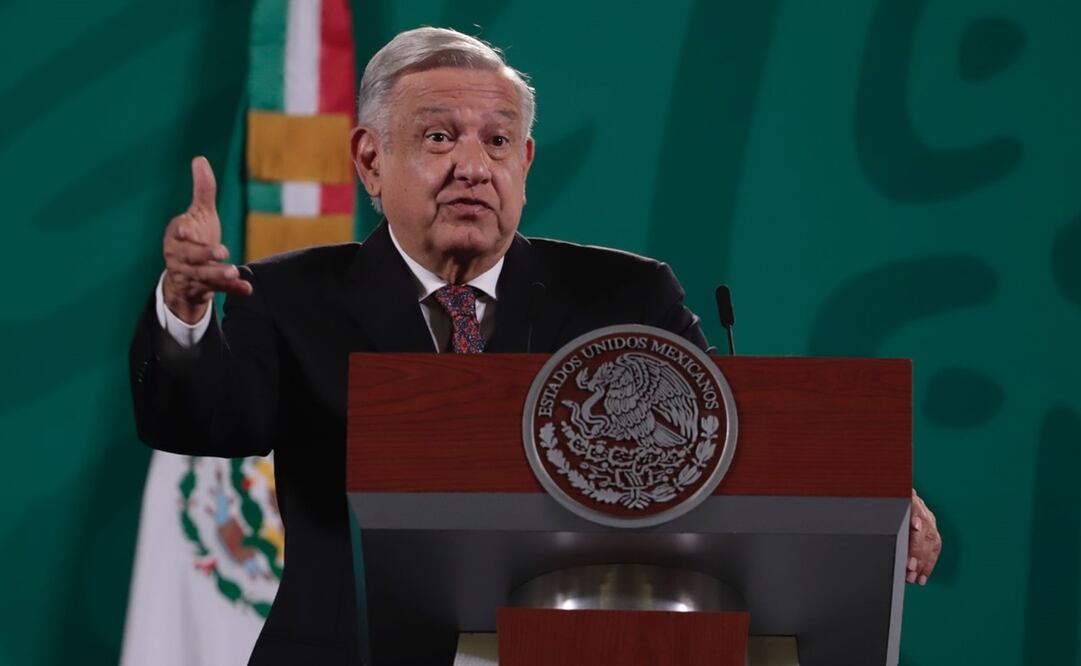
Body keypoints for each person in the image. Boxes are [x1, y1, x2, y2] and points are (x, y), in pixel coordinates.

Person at [130, 26, 940, 666]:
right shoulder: (293, 295)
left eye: (495, 142)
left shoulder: (623, 295)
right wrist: (185, 309)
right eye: (439, 137)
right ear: (370, 160)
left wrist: (865, 497)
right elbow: (205, 423)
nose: (472, 167)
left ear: (524, 162)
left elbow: (720, 437)